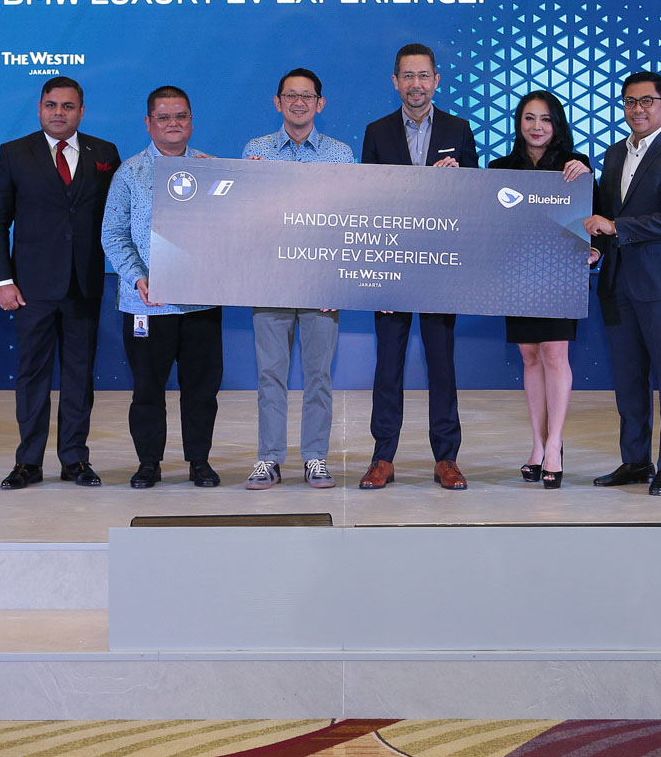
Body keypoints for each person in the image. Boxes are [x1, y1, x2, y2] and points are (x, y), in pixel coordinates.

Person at [0, 76, 120, 490]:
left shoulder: (105, 153)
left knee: (79, 376)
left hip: (84, 285)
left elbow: (121, 212)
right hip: (31, 288)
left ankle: (75, 460)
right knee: (33, 376)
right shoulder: (13, 153)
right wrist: (3, 280)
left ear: (82, 111)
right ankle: (28, 462)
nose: (58, 113)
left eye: (67, 106)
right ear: (40, 108)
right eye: (51, 105)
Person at [358, 42, 479, 491]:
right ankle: (382, 457)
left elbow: (475, 199)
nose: (416, 84)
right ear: (395, 82)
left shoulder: (459, 129)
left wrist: (456, 180)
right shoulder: (376, 132)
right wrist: (376, 278)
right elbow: (367, 204)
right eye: (407, 76)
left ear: (436, 80)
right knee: (387, 366)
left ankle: (446, 458)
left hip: (440, 268)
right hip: (390, 267)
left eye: (423, 75)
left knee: (442, 366)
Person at [585, 72, 661, 496]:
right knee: (628, 380)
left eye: (647, 101)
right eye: (630, 102)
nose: (638, 109)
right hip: (618, 281)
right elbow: (604, 215)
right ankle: (636, 460)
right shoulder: (614, 153)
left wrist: (616, 227)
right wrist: (597, 247)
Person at [101, 86, 223, 489]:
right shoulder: (129, 173)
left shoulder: (211, 170)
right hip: (147, 305)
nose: (173, 124)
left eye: (181, 116)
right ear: (148, 123)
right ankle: (148, 463)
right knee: (147, 390)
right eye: (164, 117)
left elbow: (231, 229)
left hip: (200, 303)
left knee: (201, 390)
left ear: (192, 121)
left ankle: (199, 462)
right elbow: (113, 234)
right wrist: (138, 277)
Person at [242, 69, 356, 490]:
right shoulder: (255, 151)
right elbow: (244, 217)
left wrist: (337, 281)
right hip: (269, 280)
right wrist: (247, 183)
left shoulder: (341, 155)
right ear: (278, 102)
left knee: (318, 375)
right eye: (290, 95)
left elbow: (350, 220)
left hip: (320, 284)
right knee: (270, 375)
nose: (298, 103)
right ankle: (269, 459)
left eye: (307, 96)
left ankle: (315, 458)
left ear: (320, 104)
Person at [487, 90, 599, 488]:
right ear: (519, 122)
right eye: (530, 118)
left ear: (558, 125)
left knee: (554, 354)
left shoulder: (575, 166)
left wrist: (594, 249)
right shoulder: (500, 168)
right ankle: (537, 444)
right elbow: (490, 223)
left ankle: (555, 446)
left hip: (560, 276)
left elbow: (595, 217)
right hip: (517, 277)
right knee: (530, 356)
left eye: (546, 119)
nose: (537, 127)